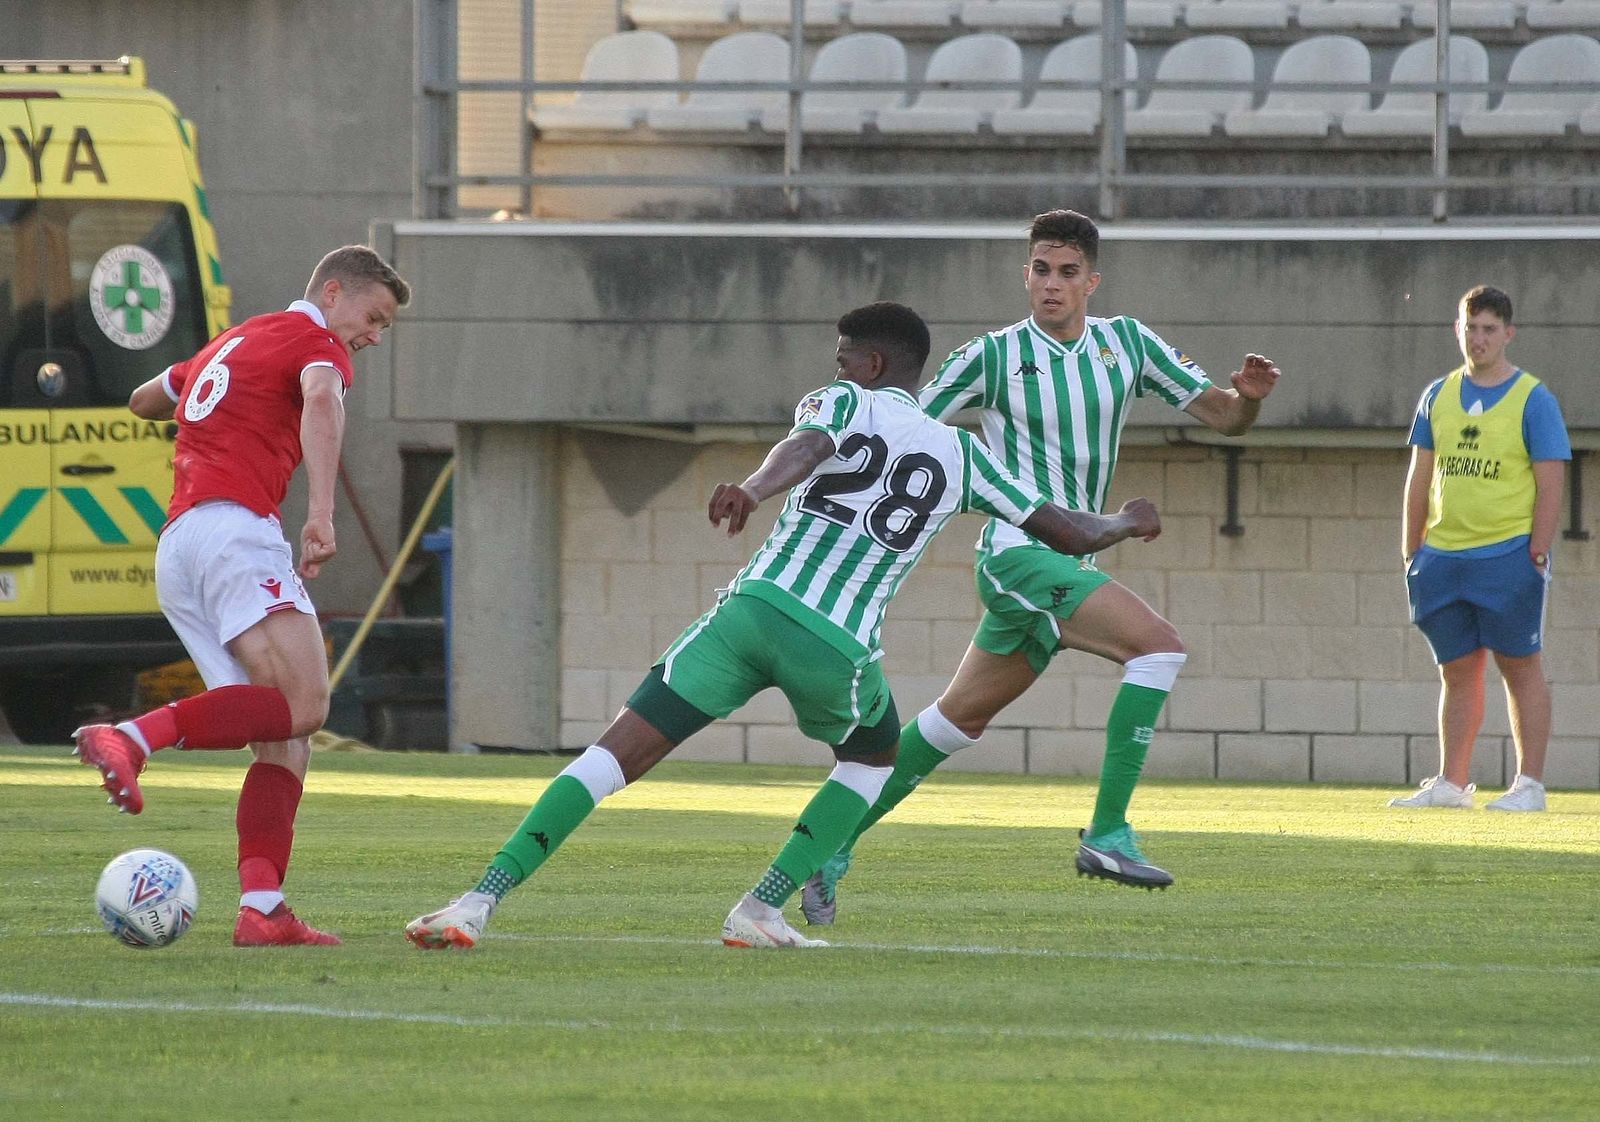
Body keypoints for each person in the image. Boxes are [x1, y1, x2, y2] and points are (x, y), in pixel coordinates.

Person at [405, 301, 1162, 951]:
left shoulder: (842, 401)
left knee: (614, 755)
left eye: (842, 359)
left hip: (751, 611)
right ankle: (760, 907)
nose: (835, 369)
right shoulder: (963, 452)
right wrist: (1125, 520)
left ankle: (479, 899)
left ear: (870, 362)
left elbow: (807, 448)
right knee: (870, 761)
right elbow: (1067, 532)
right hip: (837, 644)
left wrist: (753, 489)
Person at [801, 210, 1282, 924]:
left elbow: (1223, 417)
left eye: (1065, 272)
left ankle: (824, 852)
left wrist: (1247, 399)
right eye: (1038, 269)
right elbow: (901, 423)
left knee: (949, 725)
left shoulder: (1128, 344)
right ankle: (1110, 834)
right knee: (1158, 648)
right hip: (1015, 552)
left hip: (1058, 565)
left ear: (1091, 280)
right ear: (1025, 274)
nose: (1050, 285)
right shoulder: (991, 357)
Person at [72, 245, 410, 945]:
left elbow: (143, 400)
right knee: (307, 704)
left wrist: (215, 405)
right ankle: (130, 736)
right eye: (373, 318)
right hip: (235, 531)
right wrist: (320, 513)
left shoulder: (236, 339)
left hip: (182, 542)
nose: (372, 336)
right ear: (334, 292)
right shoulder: (314, 341)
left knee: (283, 736)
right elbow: (320, 400)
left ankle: (263, 908)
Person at [1390, 285, 1569, 812]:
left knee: (1520, 665)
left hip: (1507, 554)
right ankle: (1452, 782)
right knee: (1457, 669)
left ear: (1508, 334)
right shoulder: (1437, 395)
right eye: (1471, 327)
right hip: (1443, 557)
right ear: (1458, 330)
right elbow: (1419, 475)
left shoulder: (1533, 398)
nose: (1479, 338)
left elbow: (1552, 478)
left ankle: (1528, 785)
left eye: (1490, 328)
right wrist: (1411, 549)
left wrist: (1537, 548)